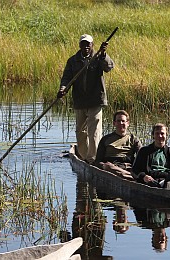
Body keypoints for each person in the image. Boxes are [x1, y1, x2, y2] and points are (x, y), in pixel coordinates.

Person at [57, 34, 114, 164]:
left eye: (88, 44)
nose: (86, 46)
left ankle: (93, 159)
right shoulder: (73, 61)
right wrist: (63, 89)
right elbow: (66, 78)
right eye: (83, 44)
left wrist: (103, 54)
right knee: (80, 132)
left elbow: (109, 67)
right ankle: (83, 158)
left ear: (92, 45)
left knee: (94, 132)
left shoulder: (98, 57)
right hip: (80, 101)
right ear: (80, 45)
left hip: (95, 100)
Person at [94, 110, 142, 179]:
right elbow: (98, 161)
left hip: (128, 166)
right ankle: (132, 177)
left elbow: (141, 156)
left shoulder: (133, 139)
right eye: (118, 121)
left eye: (123, 121)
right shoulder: (106, 139)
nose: (121, 123)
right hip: (112, 167)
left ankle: (131, 175)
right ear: (114, 123)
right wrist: (103, 166)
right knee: (109, 167)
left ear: (128, 123)